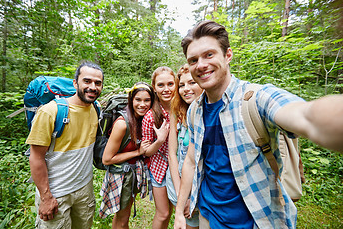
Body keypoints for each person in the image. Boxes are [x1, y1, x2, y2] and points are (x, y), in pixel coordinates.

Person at [174, 20, 343, 229]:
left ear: (228, 56)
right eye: (193, 60)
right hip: (208, 216)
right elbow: (191, 160)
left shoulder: (256, 99)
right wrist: (180, 211)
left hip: (257, 219)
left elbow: (305, 115)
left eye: (209, 54)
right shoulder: (195, 110)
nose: (200, 65)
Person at [26, 61, 104, 228]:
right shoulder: (50, 111)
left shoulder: (95, 109)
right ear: (75, 83)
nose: (93, 87)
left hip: (84, 190)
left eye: (98, 83)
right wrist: (46, 197)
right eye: (87, 81)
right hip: (57, 194)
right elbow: (36, 157)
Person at [99, 82, 155, 228]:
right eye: (138, 100)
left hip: (131, 173)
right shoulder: (122, 124)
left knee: (125, 214)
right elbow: (107, 159)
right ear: (131, 100)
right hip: (121, 176)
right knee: (122, 217)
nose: (142, 104)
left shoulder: (142, 119)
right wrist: (138, 152)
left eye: (147, 100)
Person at [166, 64, 203, 229]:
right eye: (181, 85)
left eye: (192, 83)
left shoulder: (210, 114)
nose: (186, 89)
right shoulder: (177, 111)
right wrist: (183, 195)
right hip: (179, 182)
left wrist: (193, 196)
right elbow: (172, 154)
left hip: (202, 188)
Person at [142, 66, 176, 229]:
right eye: (161, 85)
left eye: (170, 84)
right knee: (163, 213)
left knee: (177, 211)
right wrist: (160, 140)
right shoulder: (151, 116)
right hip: (160, 169)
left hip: (180, 166)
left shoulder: (183, 108)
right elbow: (146, 151)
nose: (166, 89)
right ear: (154, 88)